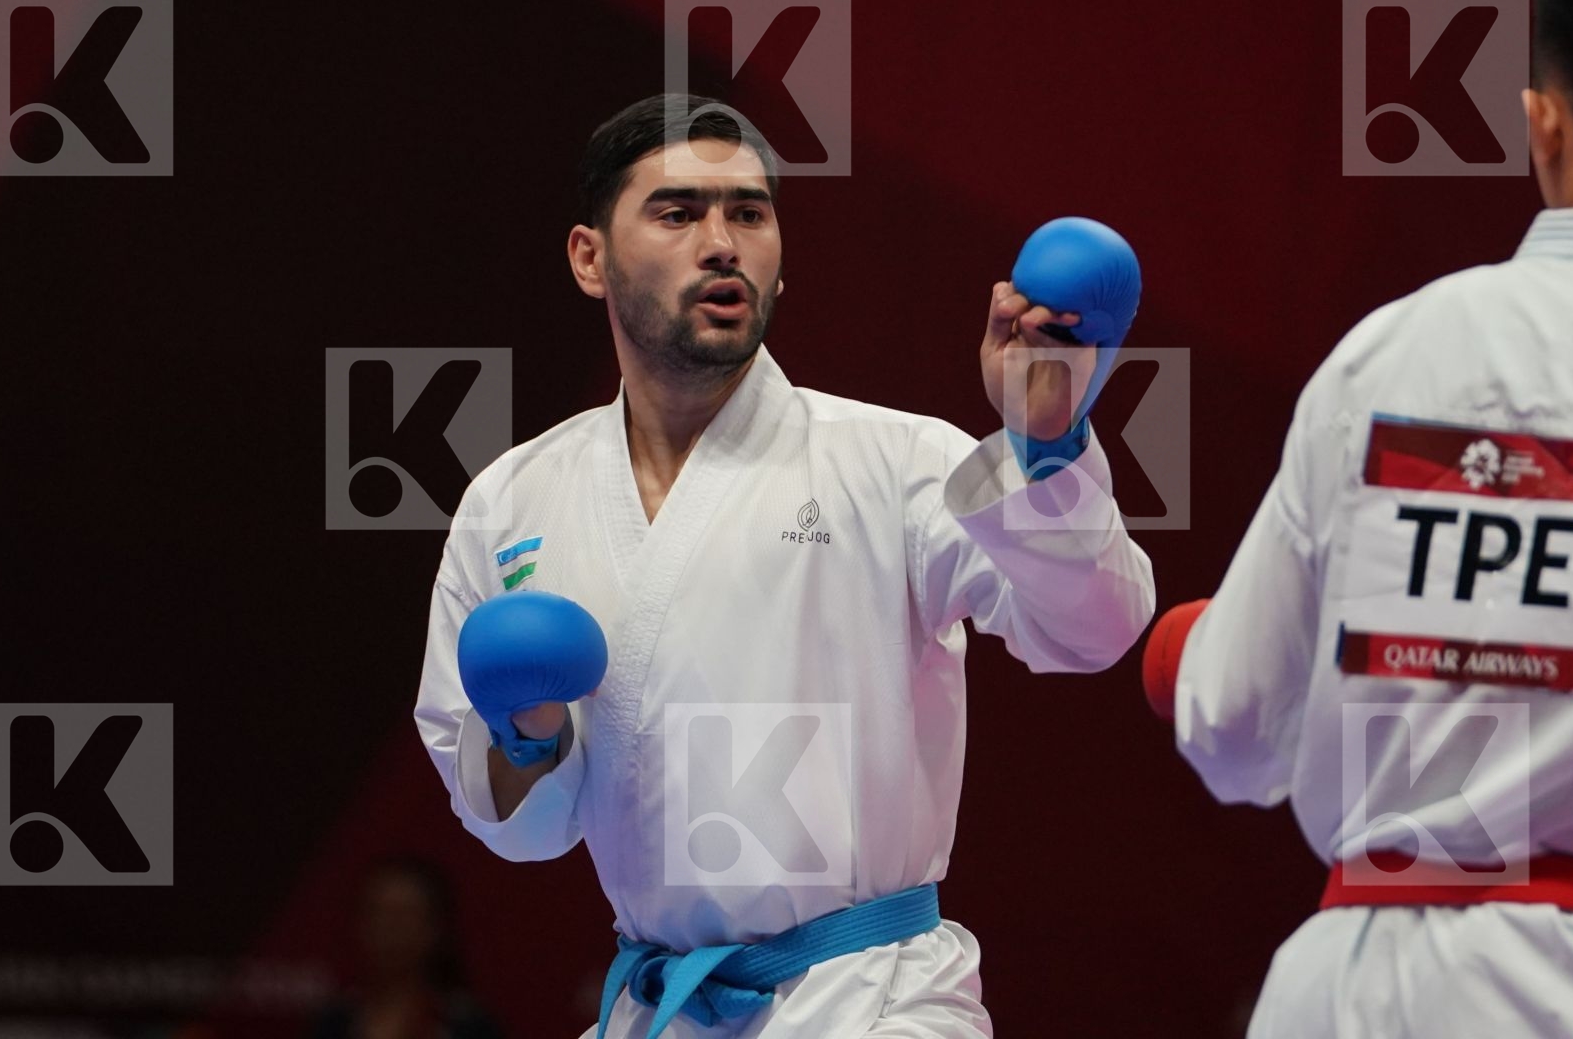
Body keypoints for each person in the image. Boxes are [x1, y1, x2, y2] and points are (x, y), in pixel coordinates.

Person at [414, 93, 1155, 1037]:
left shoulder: (895, 463)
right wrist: (525, 729)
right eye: (679, 213)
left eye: (749, 215)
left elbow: (1093, 631)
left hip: (872, 1004)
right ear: (589, 259)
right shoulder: (513, 503)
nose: (721, 243)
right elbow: (519, 831)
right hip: (662, 1007)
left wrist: (1043, 448)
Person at [1153, 0, 1573, 1037]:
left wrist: (1178, 649)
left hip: (1339, 994)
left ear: (1544, 124)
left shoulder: (1392, 349)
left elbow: (1233, 722)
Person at [308, 855, 505, 1039]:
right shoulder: (334, 1023)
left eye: (406, 916)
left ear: (436, 927)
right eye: (380, 914)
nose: (392, 930)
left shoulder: (468, 1026)